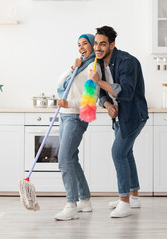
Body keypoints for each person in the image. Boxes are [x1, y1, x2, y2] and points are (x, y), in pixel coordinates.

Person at [89, 26, 148, 218]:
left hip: (133, 115)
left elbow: (126, 92)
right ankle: (134, 196)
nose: (98, 47)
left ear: (112, 45)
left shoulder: (126, 61)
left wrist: (99, 81)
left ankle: (124, 202)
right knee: (126, 153)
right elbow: (104, 94)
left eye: (103, 44)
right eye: (96, 43)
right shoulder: (99, 64)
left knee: (118, 153)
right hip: (119, 115)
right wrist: (107, 105)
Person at [54, 33, 102, 221]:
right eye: (79, 44)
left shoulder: (93, 67)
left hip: (75, 117)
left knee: (64, 159)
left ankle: (71, 205)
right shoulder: (80, 66)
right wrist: (72, 67)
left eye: (85, 44)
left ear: (92, 46)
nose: (81, 47)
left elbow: (91, 98)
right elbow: (59, 83)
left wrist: (68, 104)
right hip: (65, 117)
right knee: (71, 158)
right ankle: (85, 200)